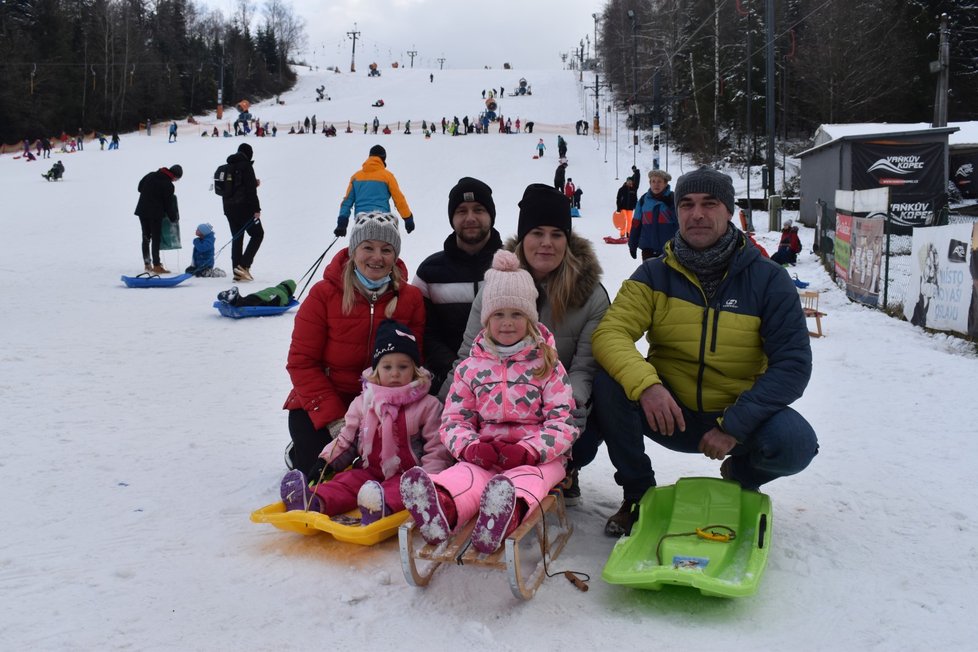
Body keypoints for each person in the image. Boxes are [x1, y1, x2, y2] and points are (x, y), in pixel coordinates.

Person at [591, 167, 819, 537]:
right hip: (669, 413)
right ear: (677, 211)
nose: (697, 214)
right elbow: (610, 334)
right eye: (687, 204)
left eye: (709, 204)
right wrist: (648, 386)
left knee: (795, 443)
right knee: (611, 383)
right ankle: (637, 495)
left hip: (736, 416)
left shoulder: (768, 280)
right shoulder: (653, 274)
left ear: (729, 212)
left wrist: (735, 424)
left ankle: (741, 478)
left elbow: (792, 365)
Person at [400, 250, 578, 553]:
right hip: (486, 453)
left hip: (536, 457)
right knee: (464, 476)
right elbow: (454, 420)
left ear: (530, 318)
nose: (507, 323)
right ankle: (443, 508)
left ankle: (503, 519)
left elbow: (563, 422)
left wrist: (530, 450)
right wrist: (470, 447)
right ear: (486, 318)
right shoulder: (471, 368)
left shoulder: (546, 365)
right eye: (498, 314)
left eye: (516, 314)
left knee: (526, 481)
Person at [444, 183, 609, 506]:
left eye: (556, 234)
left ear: (568, 240)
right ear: (522, 240)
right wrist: (444, 418)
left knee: (599, 403)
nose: (546, 243)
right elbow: (469, 357)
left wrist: (567, 408)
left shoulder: (591, 295)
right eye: (536, 233)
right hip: (496, 412)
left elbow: (585, 366)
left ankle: (559, 471)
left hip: (557, 409)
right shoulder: (498, 287)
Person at [283, 212, 426, 476]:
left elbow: (415, 360)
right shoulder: (323, 295)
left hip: (382, 403)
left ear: (395, 256)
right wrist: (337, 420)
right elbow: (301, 362)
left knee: (384, 469)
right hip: (327, 401)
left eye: (386, 249)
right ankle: (300, 450)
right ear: (353, 250)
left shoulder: (410, 298)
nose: (377, 257)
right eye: (368, 247)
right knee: (324, 472)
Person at [281, 320, 451, 524]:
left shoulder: (428, 405)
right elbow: (347, 439)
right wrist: (325, 462)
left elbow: (436, 448)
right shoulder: (364, 403)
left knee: (400, 491)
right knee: (346, 482)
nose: (395, 373)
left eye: (403, 366)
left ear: (415, 370)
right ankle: (314, 500)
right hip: (368, 470)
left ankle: (378, 507)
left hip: (407, 475)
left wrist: (427, 482)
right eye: (387, 366)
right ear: (376, 370)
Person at [413, 177, 503, 393]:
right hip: (447, 378)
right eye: (461, 211)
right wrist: (460, 369)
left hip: (505, 378)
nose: (470, 217)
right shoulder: (430, 272)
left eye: (479, 209)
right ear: (452, 218)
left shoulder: (511, 266)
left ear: (490, 215)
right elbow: (426, 334)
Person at [335, 145, 415, 237]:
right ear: (383, 158)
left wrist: (342, 223)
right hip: (383, 222)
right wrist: (408, 218)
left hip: (361, 223)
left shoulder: (356, 177)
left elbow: (347, 202)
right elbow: (399, 199)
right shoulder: (388, 176)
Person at [221, 142, 263, 282]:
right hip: (244, 208)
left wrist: (252, 183)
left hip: (228, 209)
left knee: (237, 238)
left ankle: (237, 271)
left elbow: (235, 187)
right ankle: (243, 266)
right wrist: (256, 209)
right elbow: (251, 191)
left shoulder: (228, 166)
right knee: (258, 234)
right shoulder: (246, 166)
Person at [133, 164, 182, 273]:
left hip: (142, 210)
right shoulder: (168, 185)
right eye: (177, 179)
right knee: (155, 238)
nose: (175, 181)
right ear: (175, 176)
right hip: (155, 214)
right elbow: (168, 205)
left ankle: (147, 264)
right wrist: (174, 218)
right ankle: (156, 266)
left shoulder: (151, 175)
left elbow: (140, 188)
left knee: (145, 237)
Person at [629, 169, 676, 260]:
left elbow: (681, 223)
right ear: (650, 183)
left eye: (659, 181)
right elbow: (636, 224)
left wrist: (671, 206)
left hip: (669, 248)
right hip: (648, 249)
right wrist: (632, 245)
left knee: (668, 274)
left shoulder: (673, 198)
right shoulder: (643, 200)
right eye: (653, 181)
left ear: (665, 183)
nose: (656, 184)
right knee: (650, 273)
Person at [218, 279, 295, 307]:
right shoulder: (284, 296)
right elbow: (283, 305)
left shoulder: (273, 288)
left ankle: (232, 297)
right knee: (245, 304)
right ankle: (234, 299)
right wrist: (289, 300)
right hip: (262, 301)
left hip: (255, 295)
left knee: (245, 300)